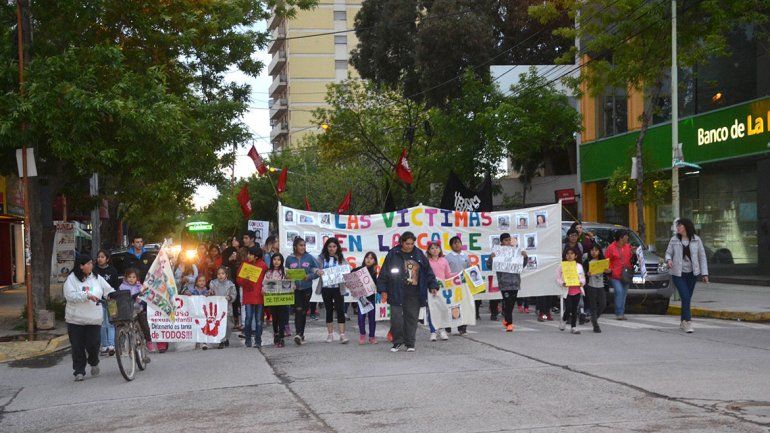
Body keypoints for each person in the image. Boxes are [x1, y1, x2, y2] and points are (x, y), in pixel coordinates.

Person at [377, 231, 439, 353]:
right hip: (396, 291)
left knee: (411, 318)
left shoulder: (419, 254)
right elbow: (384, 272)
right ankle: (397, 342)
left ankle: (410, 343)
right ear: (401, 242)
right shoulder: (393, 254)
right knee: (396, 319)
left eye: (412, 243)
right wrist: (383, 290)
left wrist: (433, 285)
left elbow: (428, 272)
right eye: (407, 243)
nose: (409, 246)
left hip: (414, 293)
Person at [64, 254, 115, 381]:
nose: (91, 265)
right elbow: (70, 296)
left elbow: (108, 290)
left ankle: (94, 361)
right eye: (88, 264)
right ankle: (79, 371)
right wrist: (86, 296)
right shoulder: (71, 279)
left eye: (91, 263)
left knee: (93, 344)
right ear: (81, 266)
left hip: (93, 319)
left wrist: (113, 296)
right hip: (75, 319)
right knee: (77, 346)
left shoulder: (97, 278)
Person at [665, 218, 709, 334]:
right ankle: (688, 322)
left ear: (685, 227)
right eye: (677, 226)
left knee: (687, 298)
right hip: (678, 273)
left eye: (679, 226)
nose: (678, 228)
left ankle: (682, 321)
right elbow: (668, 253)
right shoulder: (674, 240)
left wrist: (704, 273)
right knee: (685, 297)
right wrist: (669, 260)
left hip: (692, 273)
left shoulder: (696, 240)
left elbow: (702, 257)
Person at [486, 234, 528, 332]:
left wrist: (525, 257)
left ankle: (506, 319)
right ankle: (509, 324)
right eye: (506, 240)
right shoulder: (498, 252)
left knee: (511, 304)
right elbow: (489, 266)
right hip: (504, 284)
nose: (508, 242)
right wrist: (491, 258)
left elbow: (522, 265)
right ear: (501, 242)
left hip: (515, 283)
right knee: (508, 304)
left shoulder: (516, 252)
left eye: (509, 240)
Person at [285, 237, 319, 345]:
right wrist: (288, 277)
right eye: (301, 245)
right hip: (295, 289)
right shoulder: (289, 259)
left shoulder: (309, 258)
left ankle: (301, 333)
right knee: (298, 310)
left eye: (304, 245)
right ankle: (298, 334)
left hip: (307, 288)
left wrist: (309, 276)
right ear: (295, 246)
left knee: (303, 311)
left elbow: (317, 272)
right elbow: (286, 272)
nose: (303, 247)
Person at [315, 237, 349, 344]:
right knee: (328, 310)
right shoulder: (321, 258)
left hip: (338, 288)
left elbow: (347, 269)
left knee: (340, 310)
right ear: (326, 247)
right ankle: (330, 334)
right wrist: (317, 271)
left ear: (337, 247)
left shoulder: (340, 258)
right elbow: (312, 267)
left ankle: (342, 335)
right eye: (329, 246)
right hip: (326, 288)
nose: (332, 249)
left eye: (334, 246)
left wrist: (345, 270)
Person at [237, 246, 268, 348]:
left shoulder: (263, 266)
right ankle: (248, 340)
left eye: (250, 254)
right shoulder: (244, 265)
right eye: (248, 254)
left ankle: (258, 341)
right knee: (248, 318)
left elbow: (267, 280)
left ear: (256, 256)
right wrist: (245, 279)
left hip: (259, 296)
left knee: (259, 320)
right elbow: (239, 281)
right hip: (249, 296)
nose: (248, 256)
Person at [93, 249, 119, 357]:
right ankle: (104, 345)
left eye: (102, 257)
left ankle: (112, 345)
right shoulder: (94, 271)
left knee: (111, 322)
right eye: (98, 257)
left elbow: (115, 285)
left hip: (111, 300)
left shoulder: (113, 270)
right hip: (99, 301)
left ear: (107, 259)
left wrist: (111, 295)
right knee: (102, 324)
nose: (100, 259)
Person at [445, 236, 471, 335]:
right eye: (454, 243)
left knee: (463, 306)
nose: (457, 244)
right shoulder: (447, 257)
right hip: (451, 285)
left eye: (458, 242)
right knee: (452, 306)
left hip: (463, 285)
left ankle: (462, 327)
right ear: (451, 245)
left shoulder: (466, 257)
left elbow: (469, 270)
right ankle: (448, 326)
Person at [557, 246, 586, 334]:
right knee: (568, 308)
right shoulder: (562, 266)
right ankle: (564, 320)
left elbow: (583, 277)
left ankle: (573, 327)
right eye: (568, 254)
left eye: (572, 254)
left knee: (574, 309)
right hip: (567, 290)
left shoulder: (579, 266)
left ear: (575, 256)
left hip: (577, 290)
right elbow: (558, 278)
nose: (570, 256)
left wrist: (582, 282)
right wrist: (562, 283)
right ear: (565, 256)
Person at [425, 242, 451, 341]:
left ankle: (442, 330)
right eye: (432, 248)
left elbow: (448, 275)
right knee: (432, 310)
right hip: (431, 289)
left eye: (437, 248)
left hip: (442, 289)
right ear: (428, 251)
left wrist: (461, 273)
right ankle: (433, 331)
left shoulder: (444, 261)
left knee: (442, 309)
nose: (435, 250)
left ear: (440, 249)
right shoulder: (427, 261)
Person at [606, 229, 633, 320]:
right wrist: (610, 269)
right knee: (619, 291)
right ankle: (619, 312)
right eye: (626, 236)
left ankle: (621, 312)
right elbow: (607, 260)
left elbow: (631, 259)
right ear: (621, 238)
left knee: (624, 294)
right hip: (615, 275)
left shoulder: (628, 247)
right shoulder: (611, 248)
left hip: (626, 274)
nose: (628, 237)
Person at [264, 253, 290, 348]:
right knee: (275, 318)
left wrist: (291, 282)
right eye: (274, 259)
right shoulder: (268, 272)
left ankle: (282, 337)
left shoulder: (285, 271)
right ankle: (276, 333)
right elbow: (264, 284)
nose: (276, 261)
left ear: (281, 261)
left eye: (279, 260)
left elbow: (291, 283)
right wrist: (264, 290)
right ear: (272, 261)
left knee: (282, 318)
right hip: (273, 299)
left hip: (283, 299)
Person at [583, 244, 609, 333]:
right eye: (592, 250)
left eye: (596, 250)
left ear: (599, 251)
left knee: (603, 304)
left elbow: (608, 272)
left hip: (601, 286)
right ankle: (595, 325)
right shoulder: (587, 261)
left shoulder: (603, 261)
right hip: (591, 286)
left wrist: (608, 271)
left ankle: (593, 318)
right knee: (593, 306)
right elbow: (583, 274)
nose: (594, 252)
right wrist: (587, 274)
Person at [355, 252, 379, 345]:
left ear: (375, 261)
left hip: (372, 298)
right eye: (367, 257)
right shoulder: (358, 269)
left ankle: (372, 337)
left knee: (372, 318)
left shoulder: (376, 272)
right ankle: (362, 335)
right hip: (362, 299)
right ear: (364, 259)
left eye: (371, 258)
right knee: (361, 318)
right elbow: (350, 276)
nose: (369, 260)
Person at [209, 267, 236, 348]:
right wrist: (210, 293)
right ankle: (221, 340)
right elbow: (210, 293)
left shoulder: (230, 284)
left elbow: (234, 295)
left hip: (227, 308)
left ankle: (226, 338)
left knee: (228, 325)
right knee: (219, 324)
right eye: (219, 274)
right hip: (217, 308)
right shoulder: (213, 283)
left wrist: (230, 297)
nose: (220, 275)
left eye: (222, 273)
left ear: (226, 275)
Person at [222, 237, 242, 331]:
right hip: (231, 278)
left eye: (236, 239)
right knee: (232, 298)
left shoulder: (244, 251)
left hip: (241, 277)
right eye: (233, 240)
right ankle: (234, 320)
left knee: (239, 299)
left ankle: (239, 321)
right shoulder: (227, 251)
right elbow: (224, 263)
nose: (234, 241)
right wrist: (230, 259)